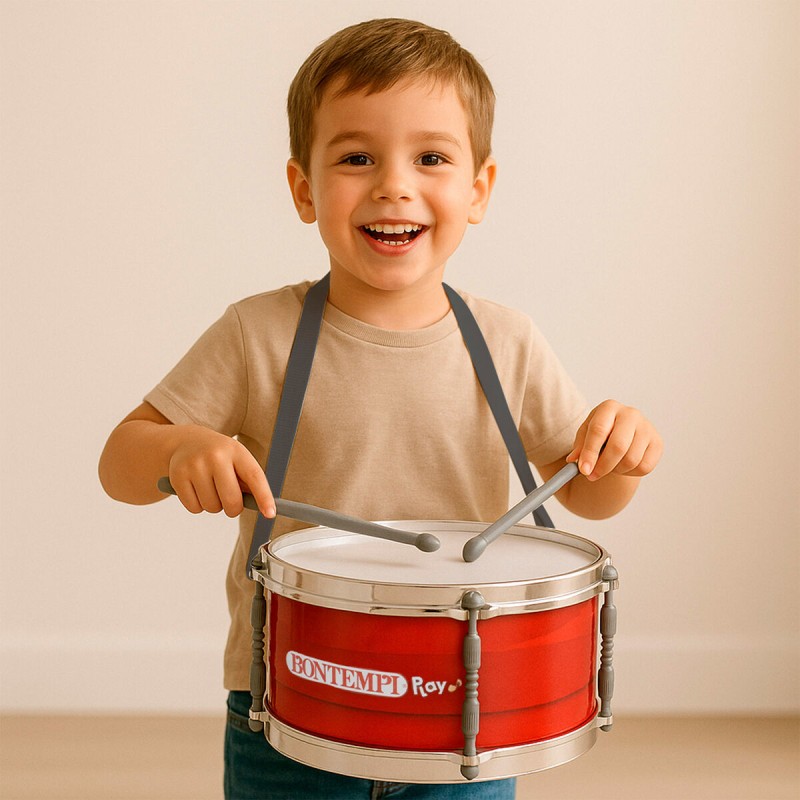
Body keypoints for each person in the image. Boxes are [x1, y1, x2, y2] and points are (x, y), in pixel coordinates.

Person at [99, 17, 662, 800]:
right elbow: (119, 463)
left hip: (465, 711)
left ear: (478, 190)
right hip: (293, 706)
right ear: (304, 189)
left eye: (431, 158)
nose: (394, 185)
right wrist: (176, 449)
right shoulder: (257, 333)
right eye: (357, 158)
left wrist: (621, 452)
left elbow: (591, 495)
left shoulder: (507, 341)